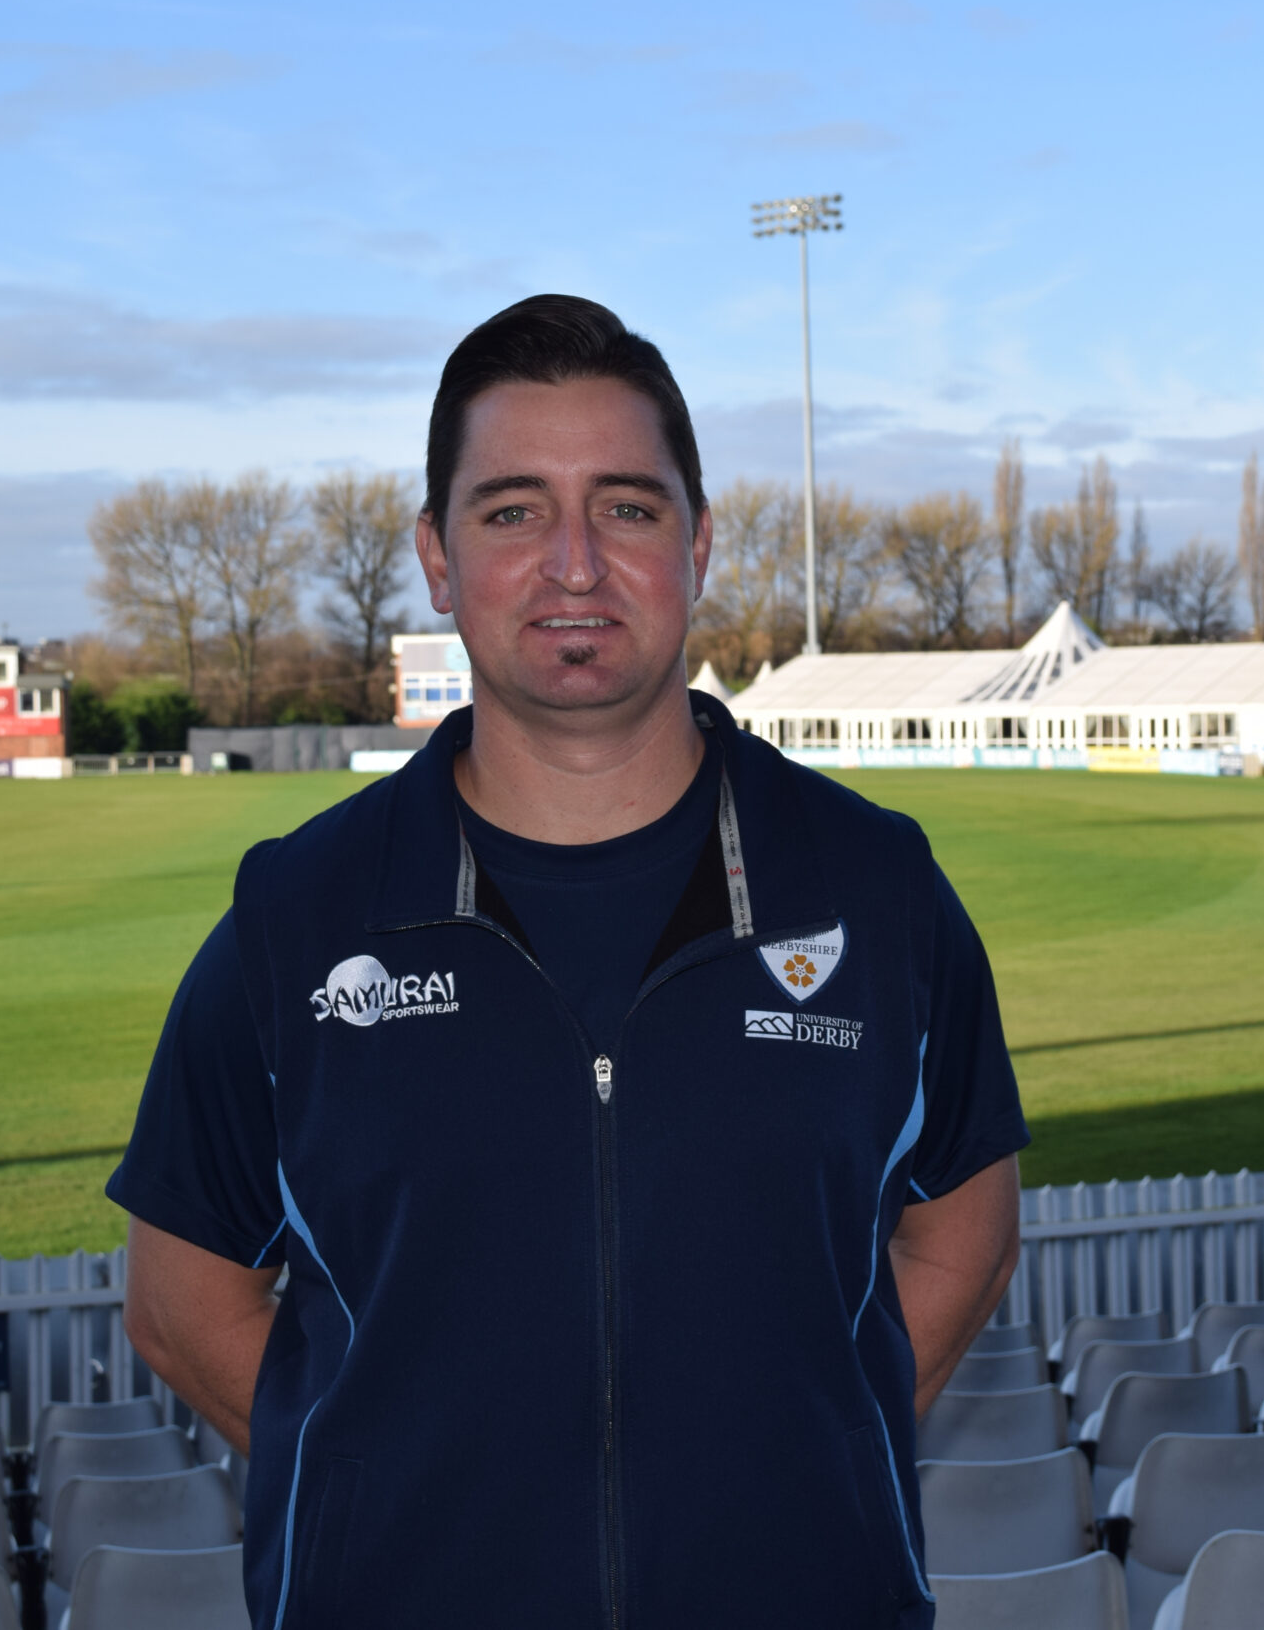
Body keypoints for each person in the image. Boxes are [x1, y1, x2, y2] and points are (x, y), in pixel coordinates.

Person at [108, 295, 1030, 1628]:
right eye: (513, 511)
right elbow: (181, 1299)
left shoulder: (875, 889)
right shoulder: (298, 917)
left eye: (628, 508)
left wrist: (797, 1462)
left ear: (699, 545)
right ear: (437, 558)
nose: (576, 566)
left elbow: (967, 1231)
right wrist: (394, 1487)